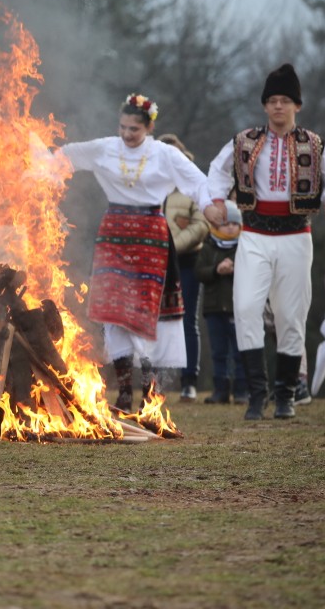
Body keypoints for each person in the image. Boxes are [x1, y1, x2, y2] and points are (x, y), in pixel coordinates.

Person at [202, 64, 325, 420]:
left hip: (296, 235)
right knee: (246, 306)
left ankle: (285, 396)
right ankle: (256, 394)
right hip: (255, 236)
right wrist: (213, 202)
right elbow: (216, 172)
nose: (278, 106)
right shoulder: (244, 141)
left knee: (290, 315)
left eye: (285, 100)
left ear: (297, 106)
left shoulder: (315, 144)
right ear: (265, 106)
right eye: (273, 100)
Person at [57, 93, 208, 413]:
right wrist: (37, 170)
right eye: (123, 127)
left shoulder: (165, 154)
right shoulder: (106, 147)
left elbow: (198, 182)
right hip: (115, 232)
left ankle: (151, 393)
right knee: (114, 310)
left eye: (134, 129)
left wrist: (213, 206)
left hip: (151, 234)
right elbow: (67, 155)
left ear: (149, 127)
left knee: (148, 311)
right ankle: (125, 392)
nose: (127, 134)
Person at [157, 134, 209, 402]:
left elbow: (201, 224)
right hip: (153, 264)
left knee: (186, 320)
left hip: (185, 262)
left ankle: (189, 381)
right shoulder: (149, 183)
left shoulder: (193, 184)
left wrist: (172, 246)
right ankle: (155, 381)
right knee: (153, 322)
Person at [195, 200, 247, 404]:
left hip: (237, 308)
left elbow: (254, 272)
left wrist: (236, 269)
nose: (231, 227)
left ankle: (242, 390)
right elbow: (199, 271)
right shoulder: (208, 246)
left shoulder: (245, 246)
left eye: (235, 223)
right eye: (226, 223)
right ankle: (220, 390)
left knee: (239, 351)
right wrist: (216, 269)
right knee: (218, 352)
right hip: (214, 308)